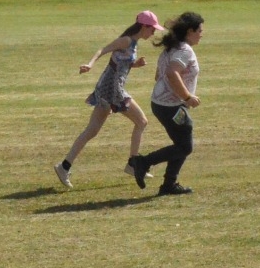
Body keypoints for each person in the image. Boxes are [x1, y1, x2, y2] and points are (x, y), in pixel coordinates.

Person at [54, 10, 163, 189]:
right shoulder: (126, 40)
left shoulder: (133, 43)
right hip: (113, 90)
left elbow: (120, 63)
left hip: (107, 88)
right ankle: (132, 165)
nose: (154, 33)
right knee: (142, 122)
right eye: (152, 29)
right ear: (144, 26)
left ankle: (64, 166)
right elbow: (103, 50)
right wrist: (90, 64)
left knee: (92, 130)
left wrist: (135, 64)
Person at [131, 11, 203, 196]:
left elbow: (158, 75)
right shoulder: (184, 50)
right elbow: (172, 73)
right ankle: (144, 162)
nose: (202, 34)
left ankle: (169, 185)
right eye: (199, 30)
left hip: (160, 104)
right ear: (189, 31)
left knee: (180, 144)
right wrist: (187, 97)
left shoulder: (172, 46)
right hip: (171, 107)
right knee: (185, 146)